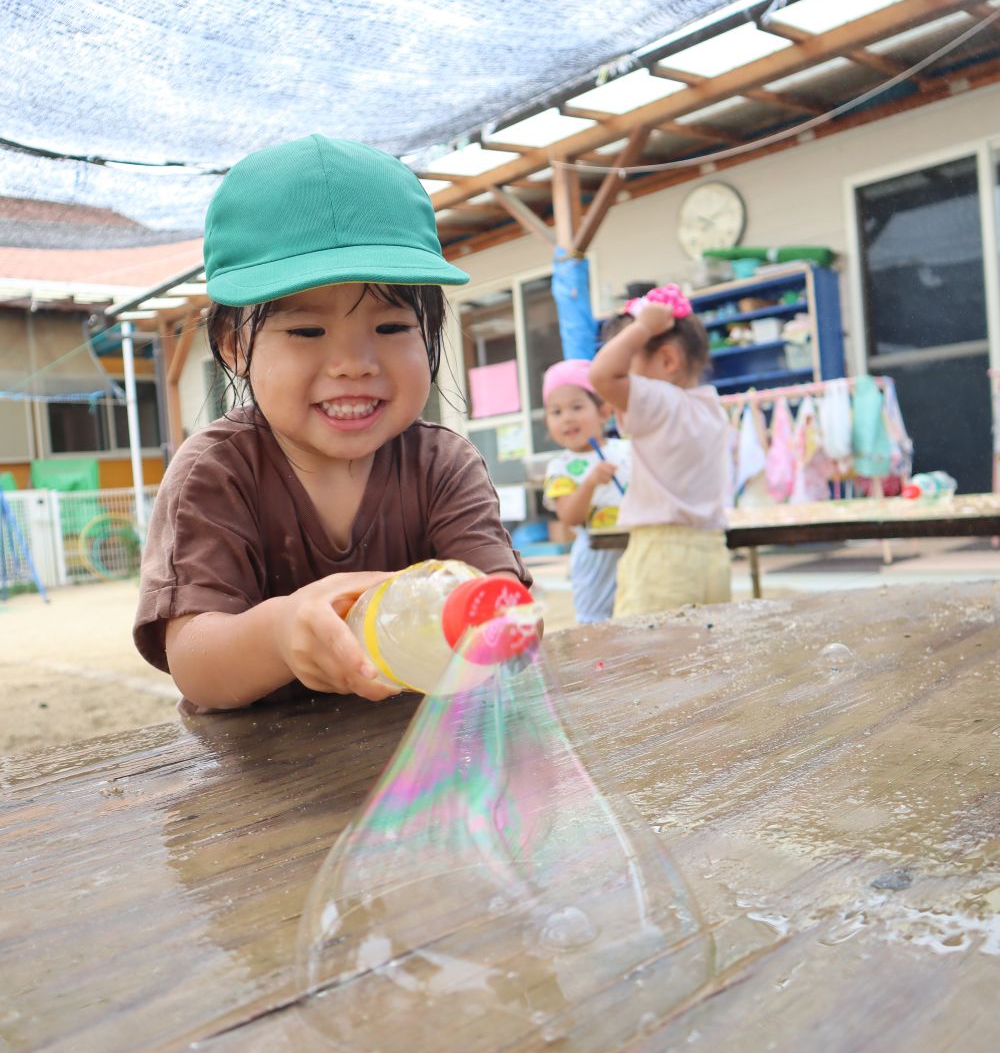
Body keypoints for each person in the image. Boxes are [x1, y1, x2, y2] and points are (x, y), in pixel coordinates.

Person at [134, 135, 529, 712]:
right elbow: (194, 664)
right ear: (234, 345)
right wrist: (280, 634)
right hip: (263, 782)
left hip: (419, 764)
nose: (354, 365)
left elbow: (504, 608)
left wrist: (504, 624)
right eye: (307, 332)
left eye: (392, 328)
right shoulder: (216, 472)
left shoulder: (443, 466)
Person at [590, 284, 731, 616]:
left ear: (668, 360)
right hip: (713, 552)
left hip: (662, 557)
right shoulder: (711, 408)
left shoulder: (661, 401)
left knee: (651, 658)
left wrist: (643, 328)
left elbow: (601, 374)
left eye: (631, 356)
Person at [541, 360, 630, 624]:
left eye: (577, 407)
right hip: (594, 560)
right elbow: (569, 517)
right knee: (597, 627)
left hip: (636, 550)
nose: (567, 418)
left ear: (604, 411)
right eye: (556, 412)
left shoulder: (626, 451)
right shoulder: (560, 468)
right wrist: (590, 483)